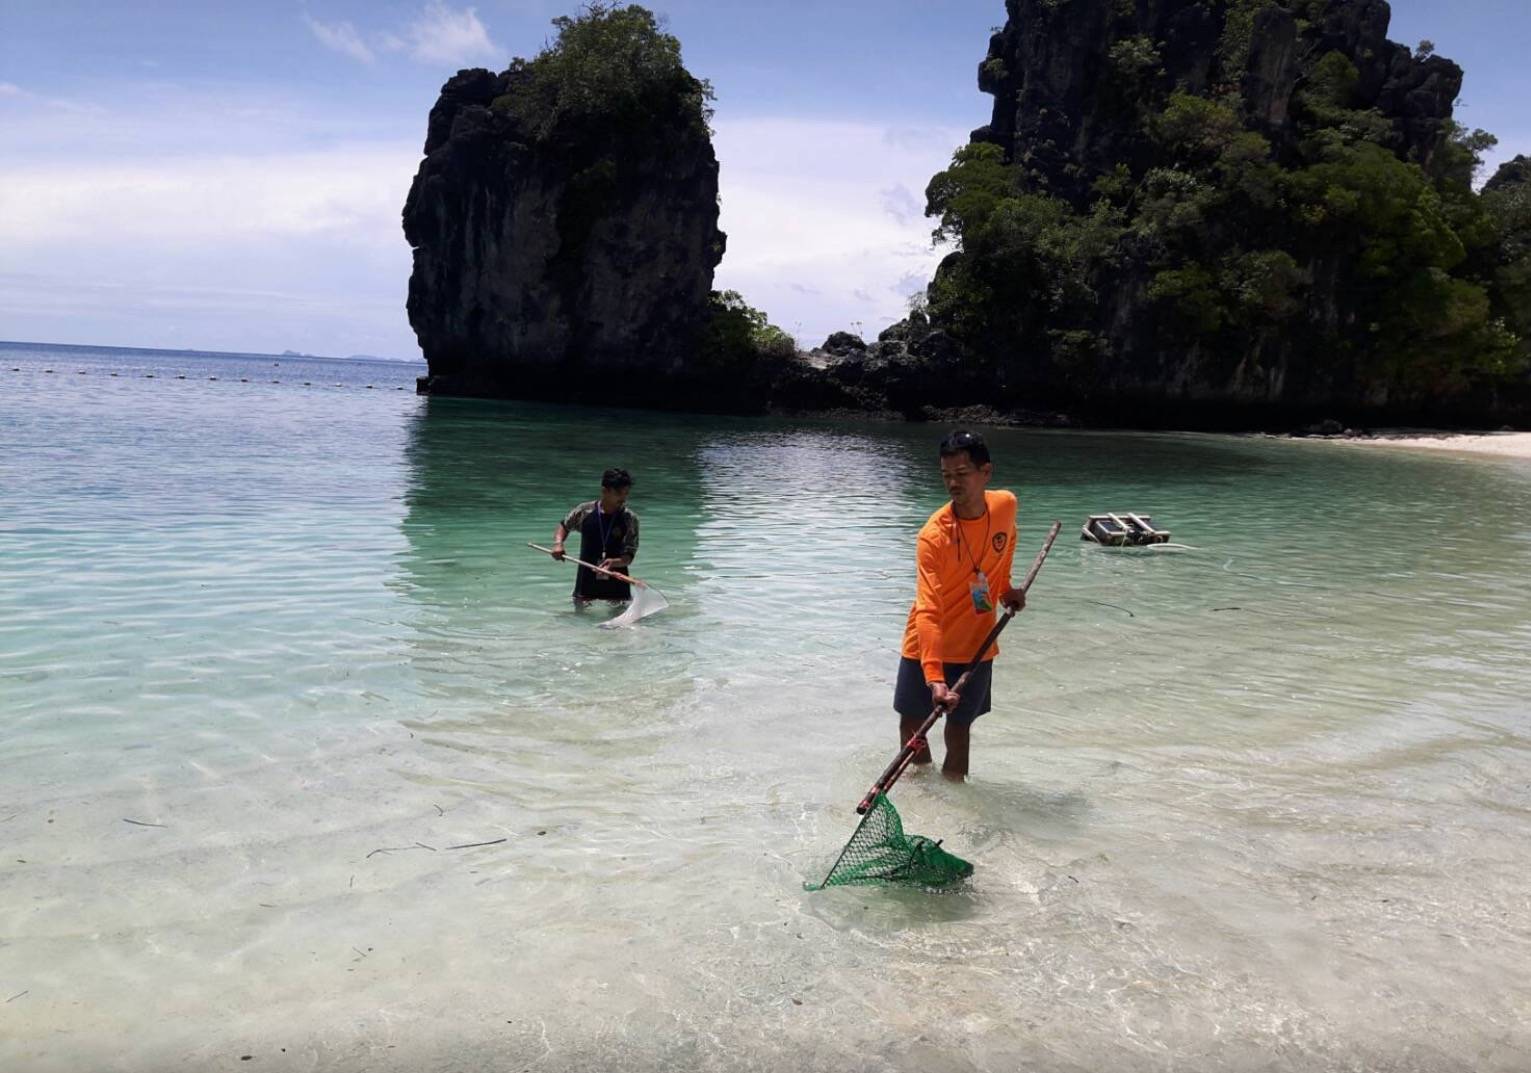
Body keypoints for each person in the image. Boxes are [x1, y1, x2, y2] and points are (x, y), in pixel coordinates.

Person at [894, 430, 1026, 780]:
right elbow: (928, 609)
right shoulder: (933, 537)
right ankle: (919, 784)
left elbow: (1008, 540)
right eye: (946, 475)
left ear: (986, 472)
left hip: (976, 646)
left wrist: (1005, 589)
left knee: (959, 729)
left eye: (962, 474)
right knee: (913, 727)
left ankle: (954, 798)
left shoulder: (1006, 505)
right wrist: (934, 677)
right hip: (926, 646)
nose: (953, 483)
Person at [550, 468, 640, 603]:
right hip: (586, 580)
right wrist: (558, 544)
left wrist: (614, 562)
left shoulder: (629, 518)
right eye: (619, 493)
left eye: (626, 493)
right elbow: (564, 526)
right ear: (605, 491)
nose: (623, 498)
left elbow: (629, 555)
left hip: (617, 580)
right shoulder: (585, 511)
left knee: (619, 622)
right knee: (579, 621)